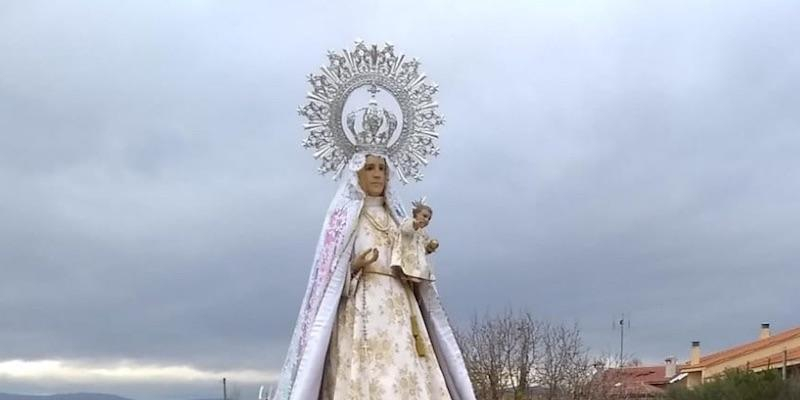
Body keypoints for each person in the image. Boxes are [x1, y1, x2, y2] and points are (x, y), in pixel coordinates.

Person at [271, 154, 475, 400]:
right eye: (369, 168)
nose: (377, 174)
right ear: (357, 173)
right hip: (362, 308)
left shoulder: (397, 217)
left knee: (406, 372)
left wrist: (417, 258)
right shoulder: (344, 219)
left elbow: (410, 254)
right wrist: (355, 266)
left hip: (400, 309)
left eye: (382, 168)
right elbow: (327, 277)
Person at [391, 198, 439, 283]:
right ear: (416, 214)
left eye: (429, 218)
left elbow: (424, 247)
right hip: (408, 252)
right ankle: (405, 274)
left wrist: (430, 247)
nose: (426, 220)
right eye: (424, 216)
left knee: (422, 267)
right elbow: (405, 230)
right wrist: (415, 225)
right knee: (409, 264)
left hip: (419, 256)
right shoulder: (409, 222)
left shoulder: (423, 233)